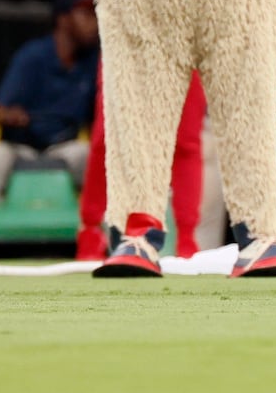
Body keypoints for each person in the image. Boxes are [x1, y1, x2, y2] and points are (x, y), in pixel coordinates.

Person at [0, 0, 100, 261]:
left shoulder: (93, 61)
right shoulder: (33, 56)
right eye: (86, 14)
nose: (94, 23)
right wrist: (13, 116)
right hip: (24, 146)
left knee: (93, 156)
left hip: (66, 147)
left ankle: (106, 241)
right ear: (63, 19)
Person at [76, 68, 208, 260]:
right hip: (128, 44)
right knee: (107, 135)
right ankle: (91, 232)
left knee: (185, 142)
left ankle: (186, 239)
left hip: (186, 44)